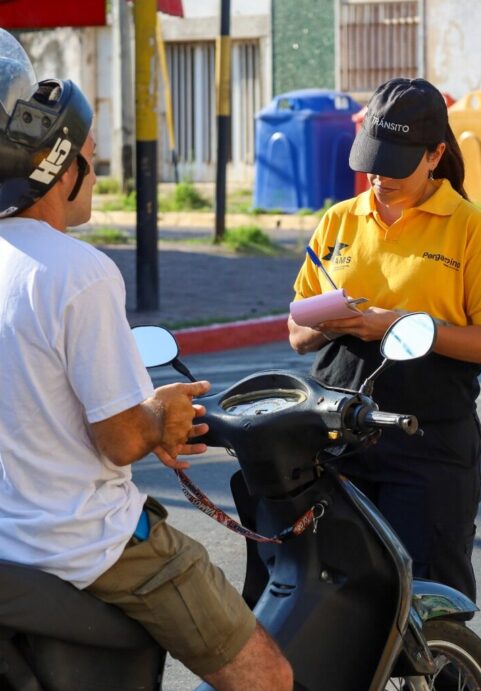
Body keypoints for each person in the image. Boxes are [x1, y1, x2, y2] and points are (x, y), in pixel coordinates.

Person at [0, 31, 292, 690]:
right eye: (93, 159)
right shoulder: (79, 272)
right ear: (58, 167)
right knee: (270, 676)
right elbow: (121, 436)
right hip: (86, 545)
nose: (97, 175)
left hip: (8, 538)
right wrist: (162, 414)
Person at [288, 77, 481, 602]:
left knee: (429, 601)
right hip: (338, 439)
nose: (378, 177)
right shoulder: (338, 221)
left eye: (395, 164)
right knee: (337, 601)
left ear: (436, 154)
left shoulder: (468, 229)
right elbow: (297, 332)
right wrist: (331, 318)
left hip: (427, 447)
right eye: (371, 160)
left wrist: (399, 324)